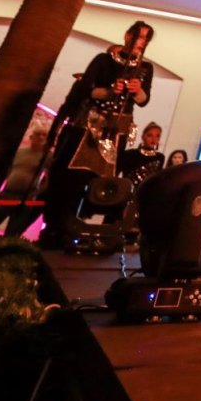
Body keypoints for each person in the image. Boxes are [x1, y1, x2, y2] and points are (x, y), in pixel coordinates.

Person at [39, 22, 155, 248]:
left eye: (144, 39)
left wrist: (136, 90)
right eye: (138, 37)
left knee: (105, 181)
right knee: (75, 172)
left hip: (118, 129)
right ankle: (61, 223)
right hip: (92, 125)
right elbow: (85, 90)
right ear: (128, 35)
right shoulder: (103, 60)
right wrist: (110, 90)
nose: (140, 43)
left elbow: (144, 99)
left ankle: (93, 225)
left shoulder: (145, 68)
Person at [117, 122, 165, 187]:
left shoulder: (160, 157)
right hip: (127, 191)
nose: (154, 139)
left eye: (157, 136)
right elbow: (116, 174)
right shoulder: (129, 154)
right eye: (150, 135)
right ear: (143, 136)